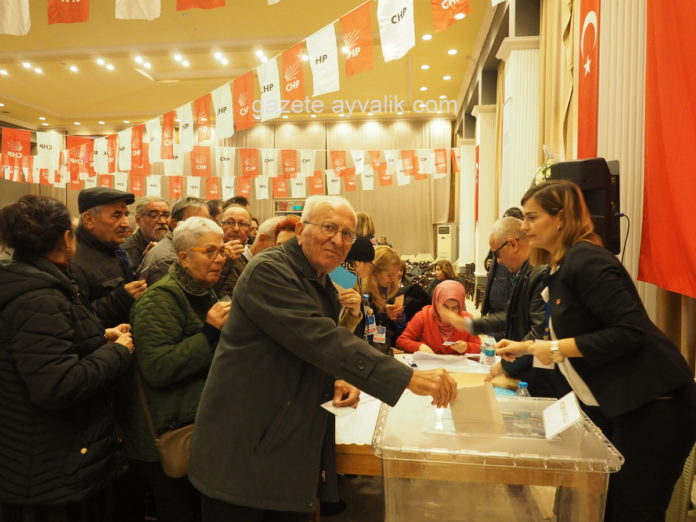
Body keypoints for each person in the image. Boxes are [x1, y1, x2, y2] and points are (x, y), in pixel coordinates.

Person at [188, 195, 457, 521]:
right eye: (329, 228)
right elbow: (320, 338)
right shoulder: (269, 271)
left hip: (279, 445)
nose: (338, 240)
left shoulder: (322, 277)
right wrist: (407, 378)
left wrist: (336, 378)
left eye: (347, 234)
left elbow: (304, 349)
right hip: (246, 450)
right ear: (301, 230)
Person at [496, 180, 696, 522]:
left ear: (561, 217)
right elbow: (576, 332)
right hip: (624, 407)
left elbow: (629, 331)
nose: (524, 226)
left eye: (532, 217)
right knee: (606, 506)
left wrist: (553, 348)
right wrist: (528, 347)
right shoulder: (560, 267)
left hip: (655, 403)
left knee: (632, 512)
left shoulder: (586, 258)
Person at [0, 195, 134, 522]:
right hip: (47, 467)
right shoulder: (39, 298)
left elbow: (46, 348)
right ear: (66, 238)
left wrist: (101, 337)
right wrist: (117, 352)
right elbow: (57, 385)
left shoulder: (42, 282)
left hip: (49, 458)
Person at [123, 217, 231, 522]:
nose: (220, 259)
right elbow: (158, 368)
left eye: (222, 251)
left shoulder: (203, 292)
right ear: (183, 257)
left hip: (195, 428)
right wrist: (209, 332)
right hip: (165, 437)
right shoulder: (160, 300)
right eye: (210, 251)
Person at [468, 217, 569, 398]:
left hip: (545, 377)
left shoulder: (540, 272)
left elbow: (541, 334)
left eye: (497, 254)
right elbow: (513, 316)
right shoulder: (523, 273)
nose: (498, 261)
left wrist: (507, 364)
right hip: (532, 369)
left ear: (513, 245)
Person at [72, 187, 147, 327]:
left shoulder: (115, 250)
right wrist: (121, 299)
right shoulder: (73, 261)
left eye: (125, 215)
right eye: (116, 215)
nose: (126, 223)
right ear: (89, 219)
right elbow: (76, 321)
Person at [138, 197, 211, 286]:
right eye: (197, 223)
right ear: (175, 225)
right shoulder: (168, 260)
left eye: (207, 223)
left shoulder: (185, 247)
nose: (206, 229)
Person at [397, 280, 481, 355]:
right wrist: (418, 346)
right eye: (445, 307)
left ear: (461, 306)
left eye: (455, 308)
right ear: (436, 303)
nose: (449, 313)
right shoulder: (423, 316)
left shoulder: (466, 320)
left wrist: (467, 347)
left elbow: (480, 348)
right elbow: (401, 341)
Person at [480, 207, 525, 339]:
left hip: (508, 308)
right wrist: (487, 264)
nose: (499, 260)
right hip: (494, 306)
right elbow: (488, 260)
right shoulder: (499, 242)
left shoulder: (525, 265)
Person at [360, 245, 407, 352]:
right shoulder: (360, 294)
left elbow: (383, 330)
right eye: (389, 275)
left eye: (395, 275)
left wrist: (391, 315)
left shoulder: (385, 290)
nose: (393, 279)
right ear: (374, 271)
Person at [122, 197, 170, 269]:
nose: (163, 221)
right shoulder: (125, 251)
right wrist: (145, 260)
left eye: (166, 215)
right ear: (138, 220)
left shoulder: (176, 244)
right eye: (154, 215)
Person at [214, 205, 250, 299]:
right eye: (229, 222)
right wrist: (225, 259)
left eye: (242, 224)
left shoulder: (249, 255)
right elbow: (208, 290)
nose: (236, 229)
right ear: (220, 226)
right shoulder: (209, 253)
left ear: (249, 230)